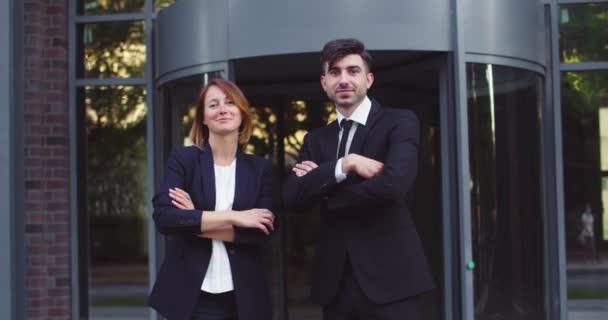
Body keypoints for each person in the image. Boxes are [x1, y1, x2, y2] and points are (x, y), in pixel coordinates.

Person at [283, 38, 435, 319]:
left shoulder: (399, 122)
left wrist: (325, 189)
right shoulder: (316, 140)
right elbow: (293, 197)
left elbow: (394, 186)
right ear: (324, 82)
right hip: (336, 285)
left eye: (352, 71)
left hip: (393, 281)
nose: (343, 79)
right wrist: (345, 164)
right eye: (335, 72)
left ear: (369, 79)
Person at [148, 78, 277, 320]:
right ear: (203, 118)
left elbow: (262, 231)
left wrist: (193, 219)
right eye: (213, 105)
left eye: (230, 102)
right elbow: (165, 219)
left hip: (244, 295)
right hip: (194, 294)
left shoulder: (260, 169)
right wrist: (235, 217)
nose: (222, 109)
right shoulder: (184, 160)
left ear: (242, 113)